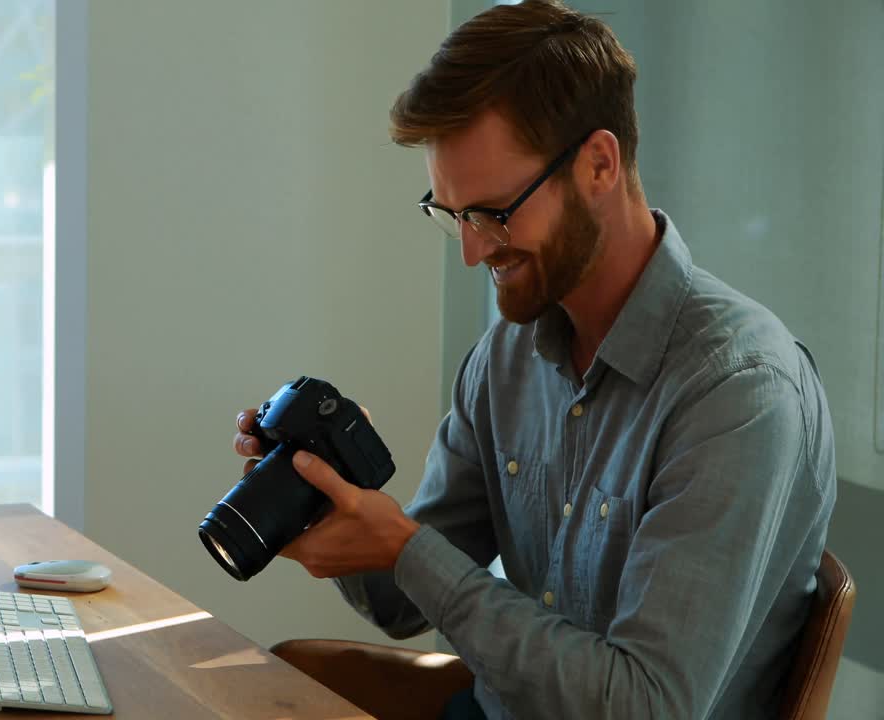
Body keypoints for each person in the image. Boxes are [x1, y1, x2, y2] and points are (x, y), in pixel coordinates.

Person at [231, 2, 836, 718]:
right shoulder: (509, 358)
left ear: (599, 165)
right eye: (452, 214)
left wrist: (407, 547)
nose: (472, 249)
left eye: (493, 212)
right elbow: (401, 601)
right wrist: (329, 496)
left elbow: (645, 705)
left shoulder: (738, 392)